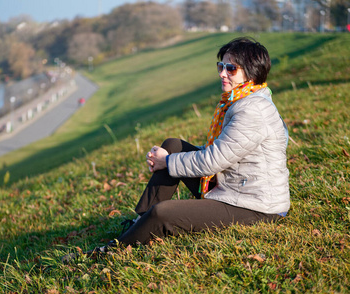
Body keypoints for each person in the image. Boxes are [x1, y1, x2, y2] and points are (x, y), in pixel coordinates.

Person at [63, 37, 290, 261]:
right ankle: (140, 224)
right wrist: (171, 157)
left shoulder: (252, 111)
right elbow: (224, 152)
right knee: (174, 145)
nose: (222, 73)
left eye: (231, 69)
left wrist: (167, 162)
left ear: (251, 74)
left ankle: (113, 251)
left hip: (255, 208)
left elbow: (213, 161)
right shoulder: (242, 101)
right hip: (235, 186)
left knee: (162, 212)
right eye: (221, 66)